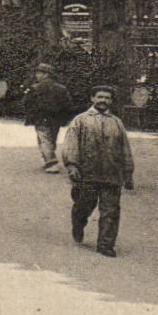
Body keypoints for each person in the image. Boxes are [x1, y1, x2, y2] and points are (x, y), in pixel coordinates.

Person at [61, 85, 134, 257]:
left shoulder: (116, 123)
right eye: (100, 97)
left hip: (112, 174)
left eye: (107, 98)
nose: (103, 100)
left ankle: (106, 245)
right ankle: (78, 222)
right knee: (84, 205)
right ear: (92, 98)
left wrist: (128, 173)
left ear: (111, 101)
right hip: (88, 173)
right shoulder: (81, 120)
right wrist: (72, 165)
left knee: (111, 210)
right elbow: (71, 144)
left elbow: (125, 149)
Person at [21, 63, 74, 172]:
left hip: (40, 117)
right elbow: (68, 104)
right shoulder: (61, 88)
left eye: (39, 73)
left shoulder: (35, 88)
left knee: (44, 139)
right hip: (57, 118)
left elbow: (26, 102)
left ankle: (51, 162)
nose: (37, 75)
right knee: (52, 138)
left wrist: (31, 113)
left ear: (46, 74)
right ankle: (48, 159)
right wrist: (64, 117)